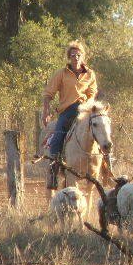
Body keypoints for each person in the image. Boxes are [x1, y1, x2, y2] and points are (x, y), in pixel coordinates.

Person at [42, 41, 98, 189]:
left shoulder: (90, 74)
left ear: (83, 56)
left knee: (100, 132)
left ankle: (105, 166)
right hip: (67, 111)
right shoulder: (61, 73)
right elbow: (48, 93)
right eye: (73, 55)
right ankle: (54, 174)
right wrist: (46, 111)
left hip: (84, 111)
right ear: (69, 57)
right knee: (57, 138)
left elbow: (92, 93)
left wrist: (87, 106)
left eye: (78, 55)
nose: (76, 57)